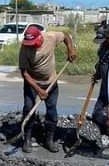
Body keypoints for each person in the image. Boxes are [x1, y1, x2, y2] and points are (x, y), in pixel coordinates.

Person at [18, 25, 77, 153]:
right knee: (29, 109)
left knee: (52, 110)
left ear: (40, 37)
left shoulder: (50, 37)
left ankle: (49, 140)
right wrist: (38, 90)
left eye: (34, 42)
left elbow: (65, 35)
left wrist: (70, 49)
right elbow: (25, 73)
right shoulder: (25, 48)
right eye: (29, 43)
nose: (31, 45)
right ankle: (27, 140)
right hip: (32, 83)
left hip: (51, 82)